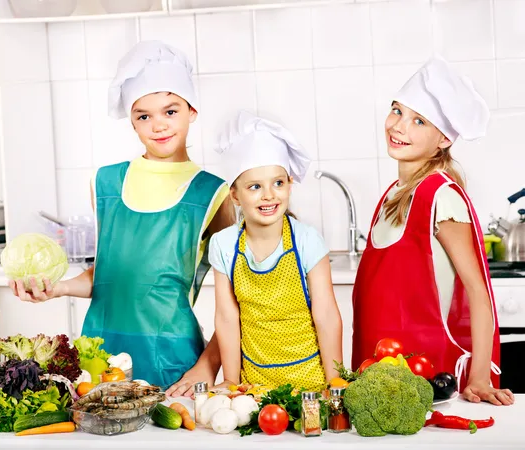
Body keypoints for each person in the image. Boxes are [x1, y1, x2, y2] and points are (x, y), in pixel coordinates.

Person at [10, 41, 235, 395]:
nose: (158, 125)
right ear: (132, 122)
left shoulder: (213, 193)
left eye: (170, 111)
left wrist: (206, 367)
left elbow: (239, 300)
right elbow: (110, 275)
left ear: (192, 110)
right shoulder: (105, 182)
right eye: (144, 115)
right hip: (99, 357)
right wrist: (59, 288)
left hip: (173, 360)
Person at [352, 55, 514, 406]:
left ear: (442, 139)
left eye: (418, 121)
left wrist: (481, 375)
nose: (399, 126)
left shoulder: (440, 196)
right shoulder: (392, 195)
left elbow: (477, 289)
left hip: (427, 380)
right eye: (397, 111)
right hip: (382, 374)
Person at [209, 111, 343, 391]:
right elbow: (226, 317)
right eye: (255, 187)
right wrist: (231, 381)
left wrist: (334, 380)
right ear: (235, 195)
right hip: (253, 383)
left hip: (310, 382)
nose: (269, 195)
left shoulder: (307, 240)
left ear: (289, 184)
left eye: (278, 183)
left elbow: (326, 314)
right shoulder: (223, 245)